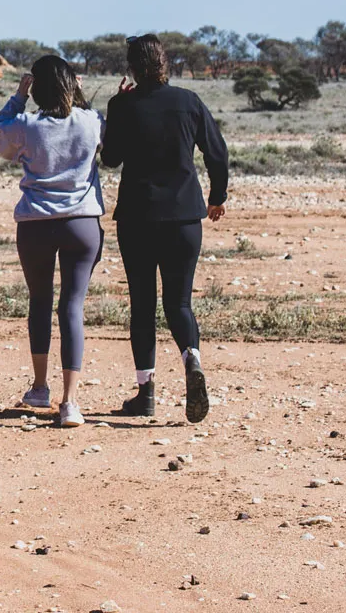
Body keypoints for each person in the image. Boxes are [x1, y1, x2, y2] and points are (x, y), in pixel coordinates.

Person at [101, 34, 228, 424]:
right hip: (185, 217)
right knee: (180, 303)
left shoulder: (123, 104)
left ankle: (147, 393)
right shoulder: (189, 102)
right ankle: (192, 360)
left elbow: (110, 160)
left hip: (138, 218)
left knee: (142, 305)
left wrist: (120, 107)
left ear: (133, 68)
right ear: (165, 63)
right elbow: (216, 151)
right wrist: (217, 196)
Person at [0, 55, 105, 428]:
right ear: (72, 85)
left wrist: (18, 97)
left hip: (36, 223)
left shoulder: (26, 124)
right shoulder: (91, 120)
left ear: (36, 87)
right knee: (72, 306)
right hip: (82, 222)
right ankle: (70, 402)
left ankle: (40, 387)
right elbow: (101, 133)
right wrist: (81, 97)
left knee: (39, 301)